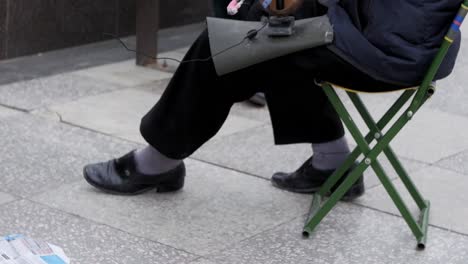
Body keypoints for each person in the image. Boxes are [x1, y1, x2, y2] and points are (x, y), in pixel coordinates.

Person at [83, 0, 462, 199]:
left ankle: (156, 162)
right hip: (410, 41)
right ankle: (332, 163)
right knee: (275, 33)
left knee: (237, 42)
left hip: (386, 46)